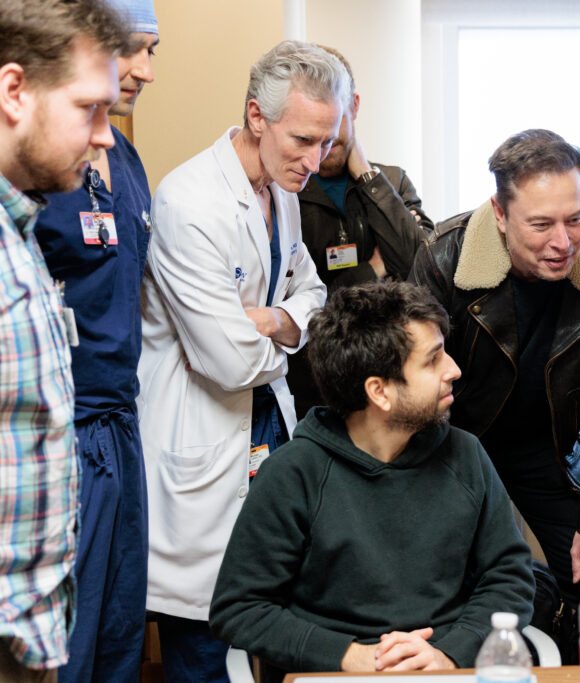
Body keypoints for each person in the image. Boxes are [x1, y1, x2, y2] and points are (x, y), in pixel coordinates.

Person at [209, 281, 534, 683]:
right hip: (336, 675)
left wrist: (450, 654)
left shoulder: (466, 455)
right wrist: (351, 658)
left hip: (449, 669)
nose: (454, 370)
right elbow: (240, 609)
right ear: (379, 391)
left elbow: (511, 575)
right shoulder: (294, 474)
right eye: (432, 361)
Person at [137, 41, 336, 681]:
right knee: (203, 650)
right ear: (257, 116)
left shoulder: (283, 191)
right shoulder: (189, 202)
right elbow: (226, 362)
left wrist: (272, 321)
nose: (316, 160)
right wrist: (278, 339)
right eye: (303, 140)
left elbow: (313, 294)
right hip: (199, 440)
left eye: (327, 142)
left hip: (261, 435)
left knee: (267, 622)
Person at [409, 129, 580, 615]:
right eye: (541, 224)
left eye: (575, 220)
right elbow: (416, 389)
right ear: (499, 213)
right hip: (458, 444)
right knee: (451, 589)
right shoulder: (444, 257)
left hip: (551, 449)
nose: (563, 243)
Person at [0, 1, 127, 681]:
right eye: (90, 109)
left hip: (31, 640)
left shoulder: (21, 232)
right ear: (14, 91)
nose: (107, 136)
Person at [32, 1, 158, 679]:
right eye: (131, 50)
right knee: (66, 638)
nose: (142, 69)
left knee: (119, 626)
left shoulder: (125, 158)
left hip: (120, 420)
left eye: (151, 52)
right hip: (65, 424)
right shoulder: (43, 169)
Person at [290, 44, 432, 419]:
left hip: (391, 373)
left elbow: (422, 265)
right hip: (312, 383)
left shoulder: (392, 183)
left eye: (335, 114)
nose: (329, 136)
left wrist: (368, 175)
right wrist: (374, 269)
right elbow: (307, 303)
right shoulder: (287, 190)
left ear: (352, 105)